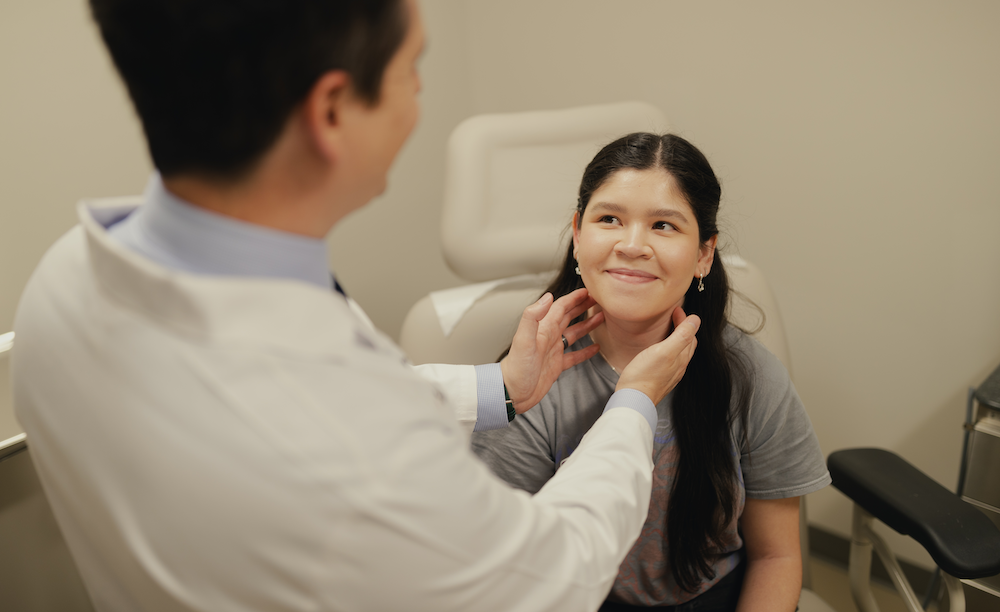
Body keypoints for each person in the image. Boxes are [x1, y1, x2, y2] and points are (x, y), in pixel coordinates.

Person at [12, 2, 704, 611]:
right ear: (332, 111)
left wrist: (501, 387)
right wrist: (634, 402)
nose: (420, 94)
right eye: (411, 68)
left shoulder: (62, 282)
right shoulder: (361, 467)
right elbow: (551, 580)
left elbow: (329, 397)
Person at [472, 133, 831, 611]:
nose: (633, 245)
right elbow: (501, 568)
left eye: (663, 225)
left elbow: (777, 556)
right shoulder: (527, 384)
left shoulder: (751, 378)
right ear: (578, 234)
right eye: (609, 219)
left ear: (704, 253)